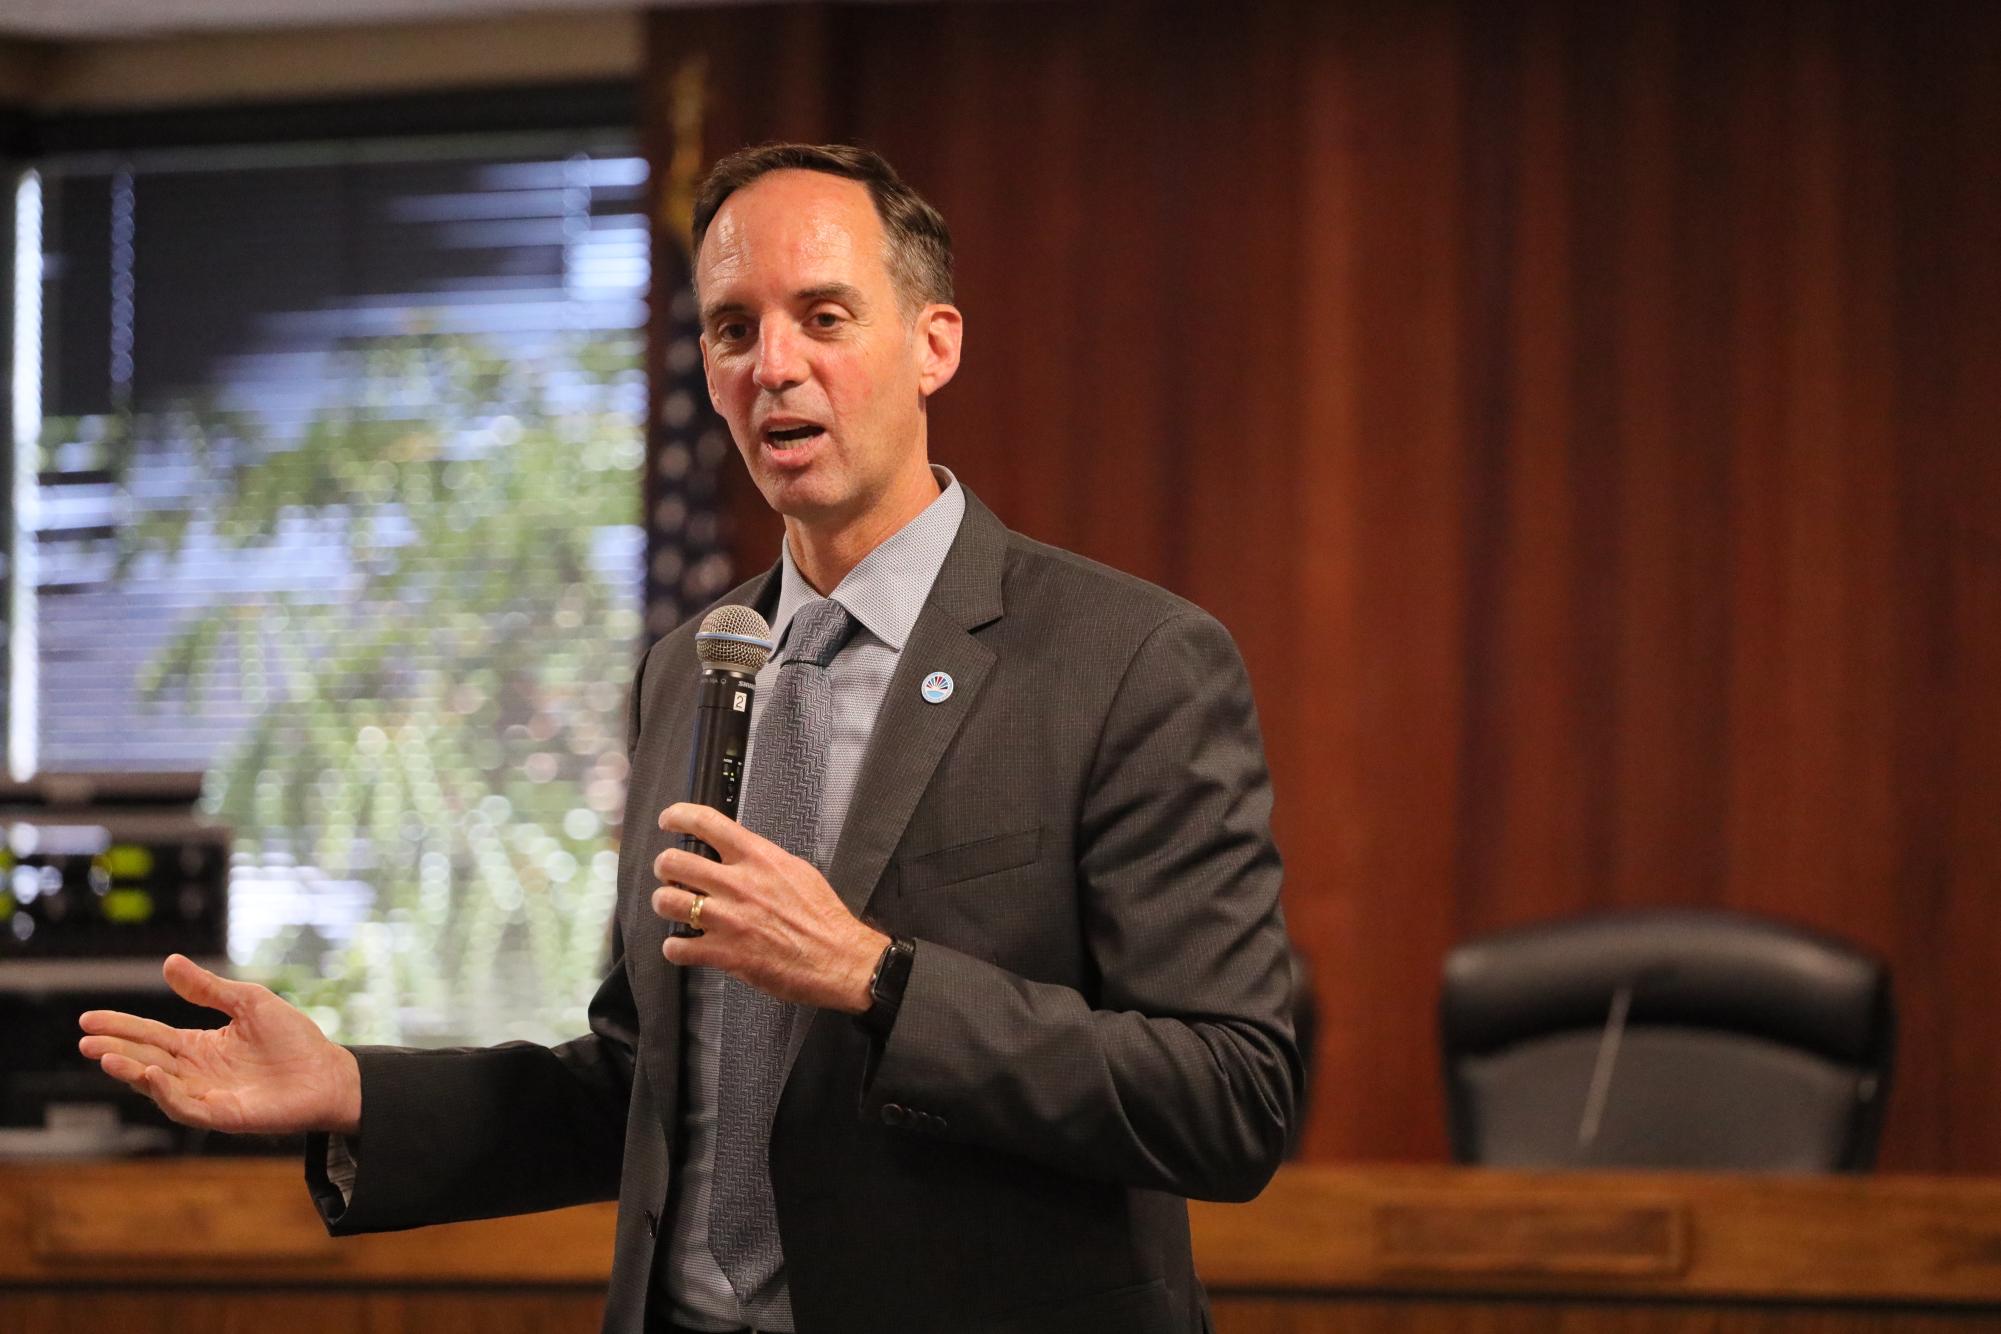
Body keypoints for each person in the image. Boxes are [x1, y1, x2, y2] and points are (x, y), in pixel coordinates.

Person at [78, 143, 1301, 1334]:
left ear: (936, 344)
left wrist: (877, 977)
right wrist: (355, 1089)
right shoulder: (694, 669)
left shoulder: (1126, 660)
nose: (774, 365)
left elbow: (1231, 1096)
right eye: (733, 327)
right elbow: (654, 1081)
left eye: (824, 316)